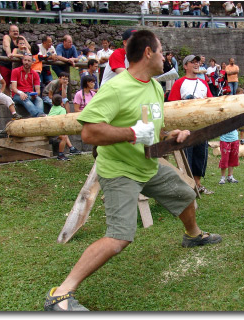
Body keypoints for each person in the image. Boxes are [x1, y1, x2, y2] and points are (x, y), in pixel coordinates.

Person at [43, 30, 222, 311]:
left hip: (147, 165)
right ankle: (60, 294)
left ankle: (193, 236)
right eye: (162, 51)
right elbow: (89, 133)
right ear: (148, 52)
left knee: (185, 194)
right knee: (120, 236)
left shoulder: (152, 86)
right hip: (119, 171)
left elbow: (150, 130)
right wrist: (130, 133)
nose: (166, 57)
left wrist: (170, 135)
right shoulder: (116, 87)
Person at [168, 54, 214, 195]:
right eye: (192, 62)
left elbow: (211, 102)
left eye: (197, 62)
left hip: (200, 124)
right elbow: (172, 104)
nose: (196, 64)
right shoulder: (179, 83)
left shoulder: (203, 83)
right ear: (185, 65)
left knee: (201, 154)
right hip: (185, 125)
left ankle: (198, 184)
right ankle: (188, 186)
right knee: (187, 155)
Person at [47, 94, 81, 161]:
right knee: (64, 137)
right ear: (62, 102)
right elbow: (62, 120)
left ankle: (71, 148)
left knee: (64, 134)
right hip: (54, 130)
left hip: (49, 128)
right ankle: (60, 154)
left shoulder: (52, 108)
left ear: (52, 102)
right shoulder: (62, 109)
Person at [0, 25, 31, 95]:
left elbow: (29, 48)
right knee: (6, 83)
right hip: (6, 64)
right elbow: (6, 46)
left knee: (18, 83)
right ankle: (8, 99)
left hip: (17, 66)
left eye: (17, 31)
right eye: (14, 31)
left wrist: (23, 40)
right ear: (10, 32)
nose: (16, 32)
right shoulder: (7, 37)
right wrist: (9, 54)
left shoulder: (20, 39)